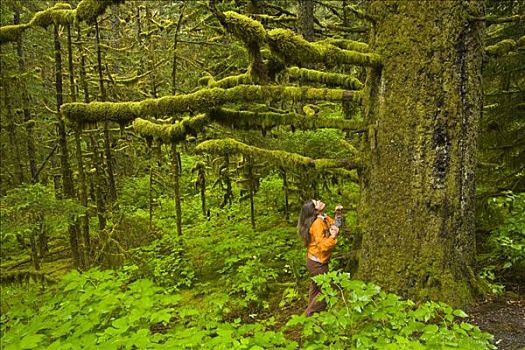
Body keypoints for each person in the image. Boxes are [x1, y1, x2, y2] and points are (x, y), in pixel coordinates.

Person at [297, 199, 340, 316]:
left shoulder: (324, 218)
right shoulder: (317, 224)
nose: (319, 201)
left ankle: (312, 316)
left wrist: (338, 215)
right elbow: (322, 247)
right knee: (326, 291)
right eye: (316, 202)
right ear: (314, 210)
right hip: (317, 263)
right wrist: (333, 237)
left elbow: (335, 226)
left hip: (315, 261)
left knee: (316, 290)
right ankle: (309, 315)